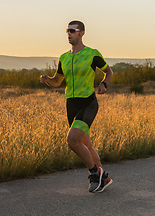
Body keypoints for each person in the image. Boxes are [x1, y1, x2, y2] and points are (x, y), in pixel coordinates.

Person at [40, 20, 113, 193]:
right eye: (67, 30)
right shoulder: (64, 58)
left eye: (72, 30)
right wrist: (48, 80)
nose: (69, 33)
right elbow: (57, 81)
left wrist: (104, 84)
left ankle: (94, 173)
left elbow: (108, 71)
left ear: (81, 33)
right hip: (71, 104)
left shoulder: (92, 54)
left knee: (72, 140)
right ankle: (104, 178)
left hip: (87, 102)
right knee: (85, 144)